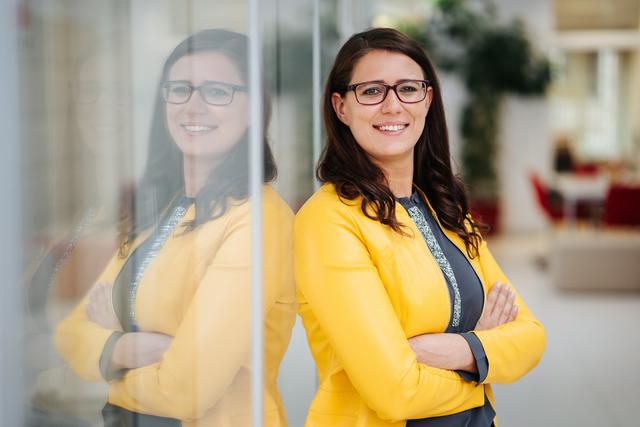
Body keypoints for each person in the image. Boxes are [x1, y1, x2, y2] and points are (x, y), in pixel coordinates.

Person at [294, 28, 545, 426]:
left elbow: (531, 337)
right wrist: (485, 360)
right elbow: (397, 394)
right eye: (372, 91)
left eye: (408, 88)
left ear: (426, 99)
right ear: (341, 107)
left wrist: (457, 350)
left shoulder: (445, 209)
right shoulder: (327, 221)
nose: (393, 105)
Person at [55, 29, 295, 427]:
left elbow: (187, 389)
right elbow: (69, 334)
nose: (193, 107)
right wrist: (124, 347)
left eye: (217, 92)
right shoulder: (165, 209)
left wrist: (100, 368)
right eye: (180, 89)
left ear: (255, 109)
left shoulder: (260, 219)